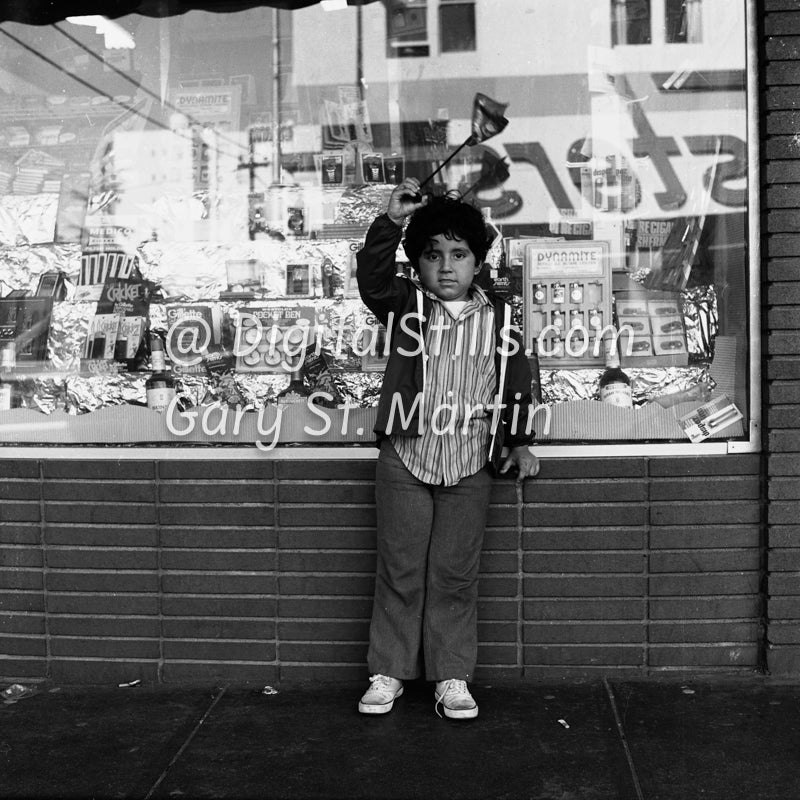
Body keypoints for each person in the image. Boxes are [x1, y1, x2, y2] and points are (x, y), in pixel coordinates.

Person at [355, 177, 540, 720]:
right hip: (407, 457)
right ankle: (387, 671)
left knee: (455, 574)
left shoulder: (501, 316)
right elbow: (371, 277)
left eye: (459, 254)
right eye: (433, 255)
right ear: (419, 265)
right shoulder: (406, 305)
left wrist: (521, 439)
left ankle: (451, 675)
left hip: (470, 459)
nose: (447, 266)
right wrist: (392, 221)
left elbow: (517, 377)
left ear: (478, 261)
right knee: (400, 569)